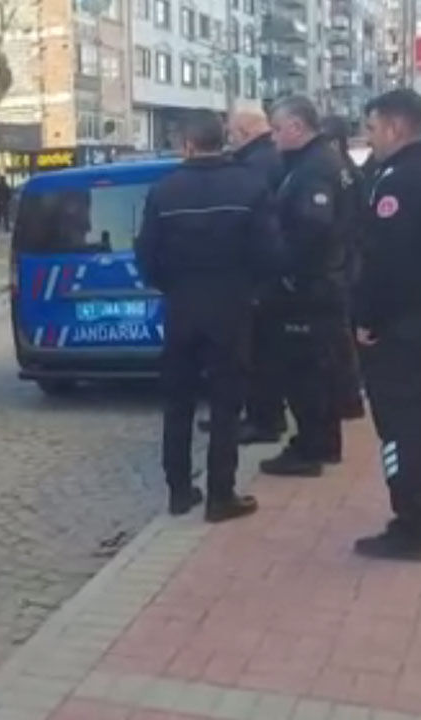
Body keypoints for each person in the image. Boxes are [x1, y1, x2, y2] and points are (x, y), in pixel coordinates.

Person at [134, 112, 275, 523]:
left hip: (182, 308)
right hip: (231, 308)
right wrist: (250, 289)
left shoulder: (164, 191)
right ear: (222, 141)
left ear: (187, 145)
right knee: (226, 405)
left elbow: (146, 256)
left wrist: (172, 286)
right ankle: (221, 495)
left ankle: (179, 492)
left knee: (177, 403)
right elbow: (270, 252)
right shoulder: (250, 186)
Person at [353, 89, 421, 560]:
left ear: (396, 127)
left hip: (398, 325)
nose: (369, 138)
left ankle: (410, 524)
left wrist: (367, 319)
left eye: (372, 128)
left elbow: (385, 262)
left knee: (399, 425)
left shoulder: (398, 182)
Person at [258, 96, 351, 478]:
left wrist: (286, 271)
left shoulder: (314, 168)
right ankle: (321, 442)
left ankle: (312, 448)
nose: (273, 137)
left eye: (277, 129)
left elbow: (313, 230)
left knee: (306, 372)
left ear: (297, 127)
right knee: (319, 369)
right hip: (323, 283)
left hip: (310, 288)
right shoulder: (320, 161)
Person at [224, 107, 288, 445]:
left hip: (259, 275)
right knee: (261, 352)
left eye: (232, 133)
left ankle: (263, 420)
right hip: (268, 271)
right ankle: (259, 415)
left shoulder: (256, 164)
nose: (229, 140)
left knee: (259, 354)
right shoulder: (268, 157)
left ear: (245, 131)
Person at [320, 114, 368, 421]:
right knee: (342, 334)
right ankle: (349, 394)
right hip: (348, 259)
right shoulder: (349, 172)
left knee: (341, 335)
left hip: (346, 260)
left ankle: (349, 397)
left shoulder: (342, 174)